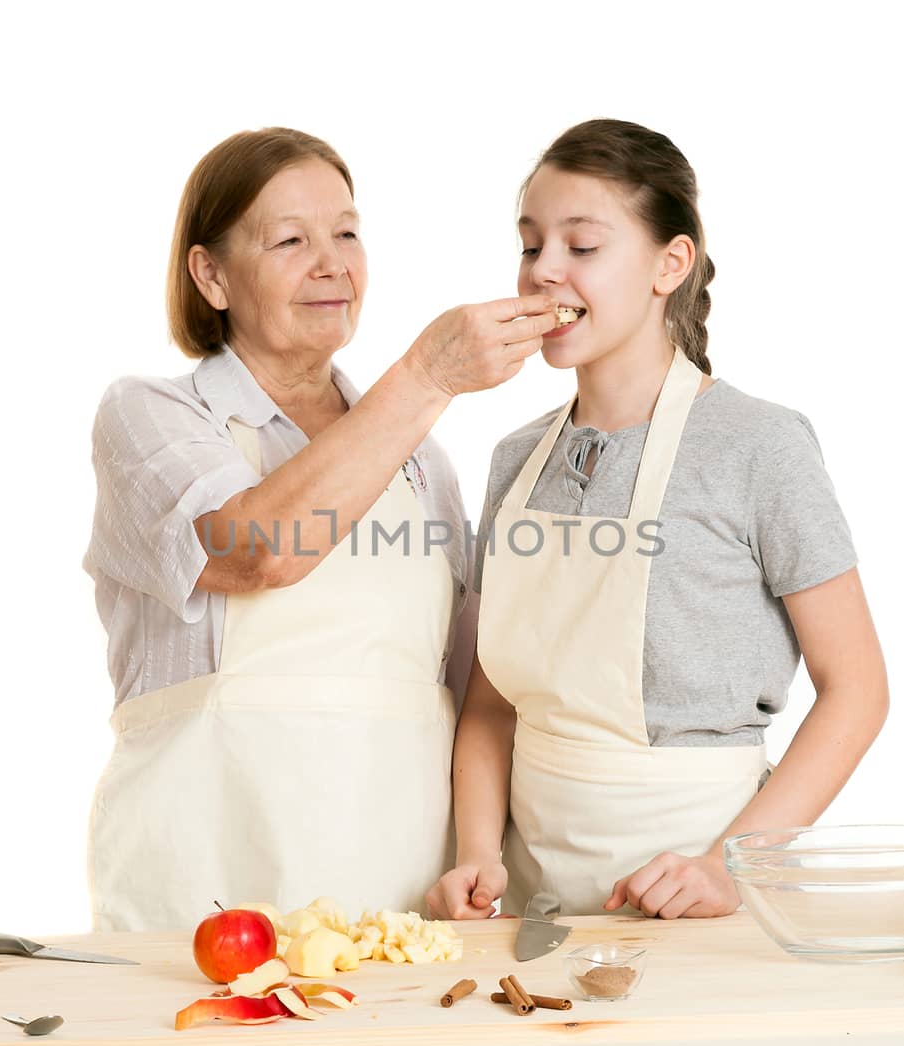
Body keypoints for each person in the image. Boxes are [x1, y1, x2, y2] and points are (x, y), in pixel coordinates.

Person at [85, 127, 556, 930]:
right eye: (290, 240)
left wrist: (481, 852)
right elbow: (261, 549)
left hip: (399, 888)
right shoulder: (153, 417)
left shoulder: (421, 465)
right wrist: (428, 374)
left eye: (346, 232)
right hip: (207, 885)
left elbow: (472, 682)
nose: (333, 262)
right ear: (211, 274)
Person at [427, 119, 889, 922]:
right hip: (533, 898)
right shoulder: (516, 458)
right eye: (531, 245)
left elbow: (858, 690)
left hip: (697, 889)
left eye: (582, 246)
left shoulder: (759, 445)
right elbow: (493, 702)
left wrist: (725, 866)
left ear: (669, 264)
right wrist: (476, 853)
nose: (544, 271)